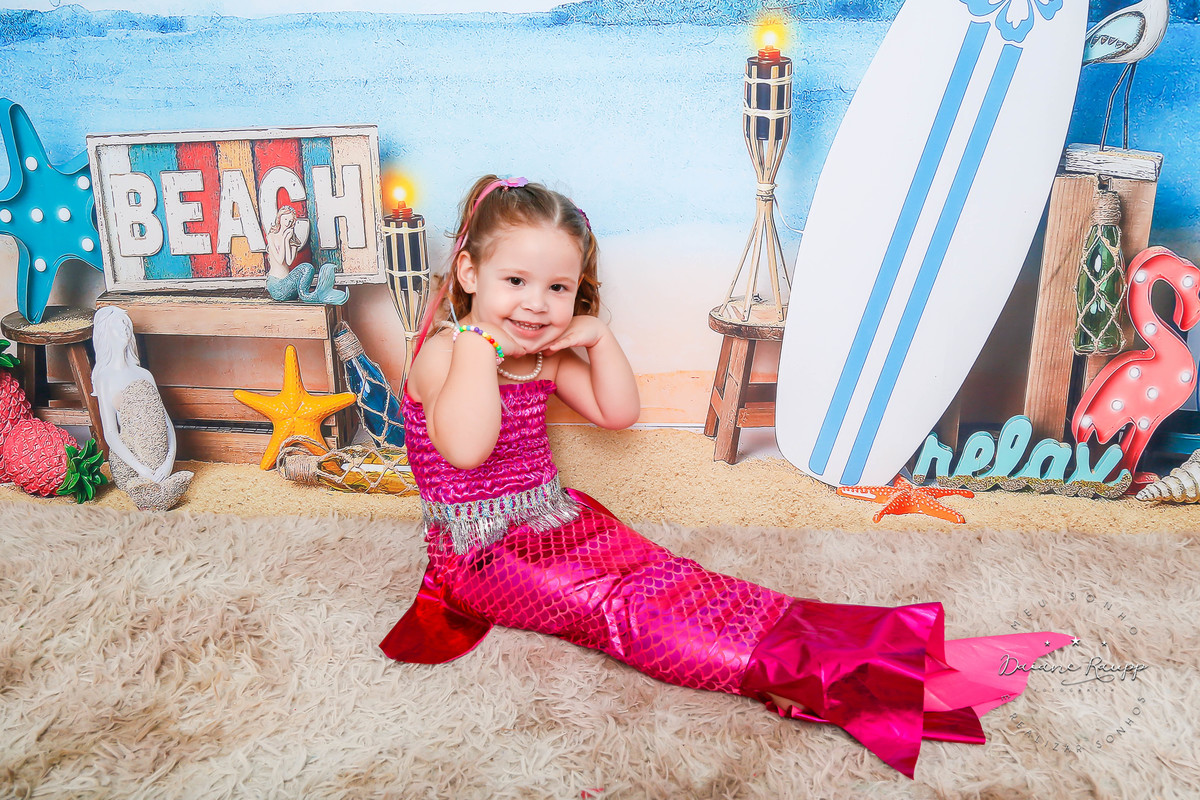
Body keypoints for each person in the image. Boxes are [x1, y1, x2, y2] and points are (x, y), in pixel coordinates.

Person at [380, 175, 1070, 778]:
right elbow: (466, 450)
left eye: (557, 288)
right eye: (515, 282)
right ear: (468, 274)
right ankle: (809, 675)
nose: (537, 304)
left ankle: (837, 639)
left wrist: (597, 337)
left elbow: (618, 414)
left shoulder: (546, 356)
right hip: (480, 555)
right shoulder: (446, 354)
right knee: (617, 607)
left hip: (557, 520)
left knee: (670, 575)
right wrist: (478, 345)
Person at [91, 306, 192, 511]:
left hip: (157, 455)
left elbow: (165, 421)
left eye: (126, 326)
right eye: (118, 326)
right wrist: (141, 468)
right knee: (144, 480)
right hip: (129, 460)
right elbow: (110, 433)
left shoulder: (144, 374)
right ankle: (154, 491)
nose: (125, 330)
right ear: (105, 333)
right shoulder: (104, 378)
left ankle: (158, 490)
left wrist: (169, 461)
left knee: (146, 400)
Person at [264, 205, 348, 305]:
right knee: (305, 267)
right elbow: (280, 259)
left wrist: (287, 241)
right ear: (279, 218)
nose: (287, 223)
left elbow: (289, 261)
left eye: (290, 221)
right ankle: (308, 295)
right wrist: (284, 239)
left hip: (288, 287)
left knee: (308, 268)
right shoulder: (272, 236)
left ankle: (308, 294)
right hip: (277, 286)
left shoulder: (292, 240)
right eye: (285, 219)